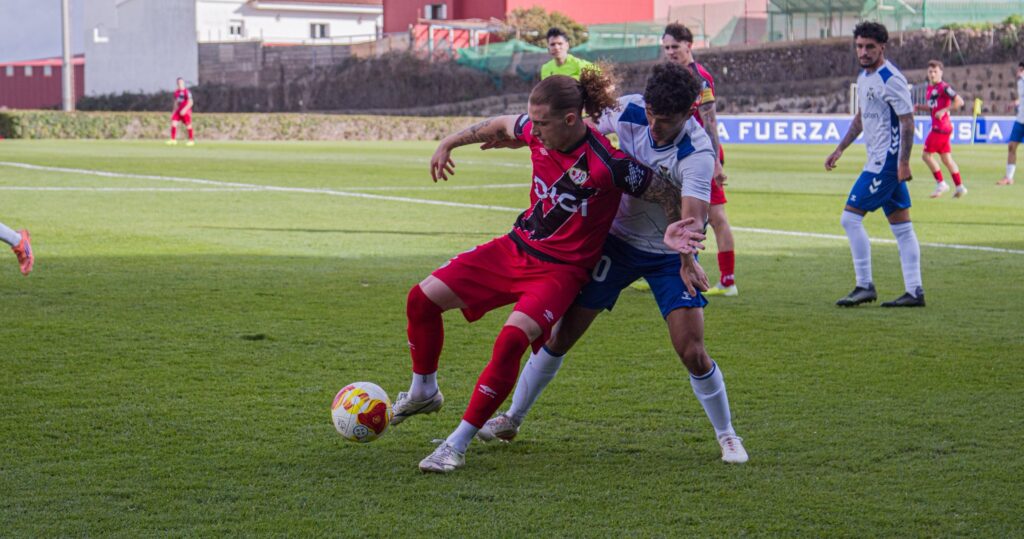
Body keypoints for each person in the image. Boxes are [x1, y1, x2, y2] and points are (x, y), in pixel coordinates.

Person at [392, 71, 705, 473]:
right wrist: (449, 142)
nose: (533, 131)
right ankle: (423, 391)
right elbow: (503, 124)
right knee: (420, 300)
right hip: (514, 248)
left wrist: (684, 254)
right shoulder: (536, 131)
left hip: (560, 272)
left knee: (510, 341)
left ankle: (457, 443)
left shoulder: (610, 165)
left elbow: (665, 191)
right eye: (532, 122)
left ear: (572, 119)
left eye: (542, 124)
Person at [476, 62, 748, 464]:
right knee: (559, 336)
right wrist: (528, 138)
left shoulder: (697, 153)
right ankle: (512, 418)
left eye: (666, 120)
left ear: (690, 112)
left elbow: (690, 217)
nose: (654, 125)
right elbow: (572, 130)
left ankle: (727, 435)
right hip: (615, 244)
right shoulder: (630, 110)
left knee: (691, 349)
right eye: (652, 114)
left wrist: (686, 260)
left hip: (667, 255)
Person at [826, 22, 923, 308]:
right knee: (903, 229)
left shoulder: (891, 78)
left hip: (886, 163)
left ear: (883, 47)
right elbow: (861, 117)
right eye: (859, 46)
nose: (864, 52)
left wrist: (903, 162)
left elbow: (907, 121)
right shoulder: (866, 76)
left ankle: (864, 285)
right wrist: (840, 148)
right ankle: (915, 291)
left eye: (870, 47)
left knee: (850, 218)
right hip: (878, 160)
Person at [661, 23, 737, 297]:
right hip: (678, 157)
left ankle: (728, 281)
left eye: (675, 47)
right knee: (673, 214)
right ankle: (672, 270)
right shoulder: (670, 76)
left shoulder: (699, 78)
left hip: (702, 157)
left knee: (716, 217)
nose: (670, 52)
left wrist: (716, 162)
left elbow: (710, 121)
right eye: (666, 47)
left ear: (689, 46)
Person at [915, 60, 966, 198]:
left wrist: (944, 110)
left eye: (935, 72)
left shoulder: (944, 87)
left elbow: (959, 101)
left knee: (926, 155)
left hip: (940, 127)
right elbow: (933, 107)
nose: (932, 74)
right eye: (930, 71)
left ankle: (941, 183)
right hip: (943, 127)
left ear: (941, 73)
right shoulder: (930, 88)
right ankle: (960, 187)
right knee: (946, 159)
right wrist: (919, 107)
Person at [998, 61, 1024, 186]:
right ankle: (1009, 177)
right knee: (1011, 146)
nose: (1018, 72)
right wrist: (1015, 103)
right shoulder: (1020, 83)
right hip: (1020, 120)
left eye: (1021, 70)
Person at [167, 77, 195, 146]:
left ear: (183, 83)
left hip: (186, 111)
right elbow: (176, 103)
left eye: (181, 82)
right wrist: (173, 111)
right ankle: (173, 140)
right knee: (173, 123)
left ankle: (191, 140)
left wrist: (185, 109)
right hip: (178, 110)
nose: (180, 84)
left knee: (188, 125)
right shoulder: (176, 92)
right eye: (178, 83)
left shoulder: (187, 92)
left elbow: (191, 102)